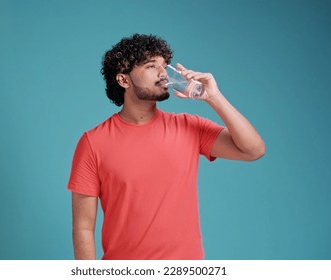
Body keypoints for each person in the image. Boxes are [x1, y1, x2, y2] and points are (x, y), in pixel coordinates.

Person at [67, 33, 265, 260]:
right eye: (151, 66)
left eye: (165, 66)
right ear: (124, 80)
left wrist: (214, 97)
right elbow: (83, 228)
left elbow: (253, 150)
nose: (163, 73)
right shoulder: (93, 142)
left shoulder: (189, 127)